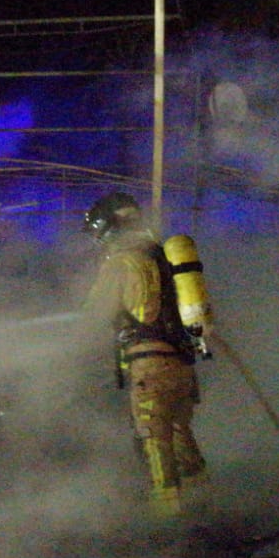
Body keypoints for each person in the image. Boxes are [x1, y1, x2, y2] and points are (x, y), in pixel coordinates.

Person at [82, 191, 210, 520]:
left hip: (149, 367)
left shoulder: (122, 261)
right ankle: (206, 507)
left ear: (107, 229)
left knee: (155, 439)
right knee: (181, 432)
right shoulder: (165, 257)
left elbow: (96, 312)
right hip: (181, 366)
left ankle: (168, 524)